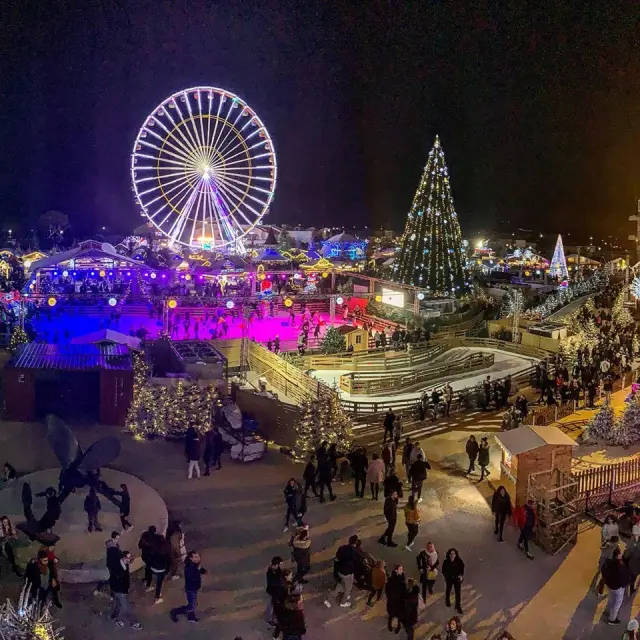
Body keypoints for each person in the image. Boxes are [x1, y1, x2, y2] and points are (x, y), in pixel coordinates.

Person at [169, 551, 207, 623]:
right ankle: (175, 612)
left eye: (198, 556)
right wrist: (198, 570)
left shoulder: (195, 564)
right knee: (192, 605)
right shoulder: (189, 567)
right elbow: (192, 578)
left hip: (195, 587)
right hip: (191, 588)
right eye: (195, 557)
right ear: (191, 558)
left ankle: (191, 617)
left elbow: (199, 570)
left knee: (193, 604)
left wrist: (202, 571)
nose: (198, 558)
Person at [109, 550, 142, 629]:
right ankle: (133, 622)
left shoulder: (125, 564)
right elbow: (116, 579)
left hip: (120, 589)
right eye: (128, 557)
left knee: (118, 603)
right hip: (119, 590)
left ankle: (115, 617)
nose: (130, 559)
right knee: (127, 607)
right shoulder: (118, 568)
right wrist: (123, 590)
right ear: (123, 558)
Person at [324, 534, 359, 608]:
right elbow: (355, 562)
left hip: (340, 571)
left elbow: (337, 558)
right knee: (348, 588)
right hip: (347, 573)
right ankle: (343, 602)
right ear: (355, 543)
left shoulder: (342, 548)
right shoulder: (354, 552)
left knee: (341, 585)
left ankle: (329, 597)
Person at [601, 548, 629, 625]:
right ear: (618, 556)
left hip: (609, 585)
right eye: (621, 554)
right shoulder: (620, 567)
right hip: (617, 587)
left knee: (611, 599)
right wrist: (624, 585)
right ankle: (612, 619)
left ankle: (609, 611)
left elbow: (603, 570)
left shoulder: (608, 562)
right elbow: (623, 578)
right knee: (617, 603)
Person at [94, 530, 121, 595]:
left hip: (114, 564)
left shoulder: (115, 545)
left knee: (113, 579)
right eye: (116, 538)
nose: (117, 540)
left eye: (118, 539)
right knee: (113, 579)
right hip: (112, 565)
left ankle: (102, 587)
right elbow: (115, 555)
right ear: (112, 538)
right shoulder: (111, 547)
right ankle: (101, 587)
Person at [146, 535, 171, 604]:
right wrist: (167, 569)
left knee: (154, 577)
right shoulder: (165, 550)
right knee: (159, 583)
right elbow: (168, 561)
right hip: (161, 569)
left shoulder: (152, 549)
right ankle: (157, 597)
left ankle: (150, 586)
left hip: (153, 567)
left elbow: (149, 558)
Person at [442, 548, 464, 614]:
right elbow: (443, 570)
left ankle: (458, 606)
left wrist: (460, 575)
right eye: (451, 554)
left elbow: (462, 568)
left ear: (456, 554)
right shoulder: (446, 562)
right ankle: (447, 600)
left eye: (453, 554)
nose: (452, 555)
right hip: (449, 579)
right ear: (448, 554)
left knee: (458, 593)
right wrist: (447, 576)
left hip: (456, 579)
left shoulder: (459, 561)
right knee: (448, 590)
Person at [385, 564, 406, 632]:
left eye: (402, 569)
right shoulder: (392, 580)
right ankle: (390, 624)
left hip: (399, 601)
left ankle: (397, 626)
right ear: (396, 570)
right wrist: (390, 597)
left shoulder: (402, 579)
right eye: (400, 569)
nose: (402, 571)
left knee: (398, 615)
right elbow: (387, 589)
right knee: (392, 614)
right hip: (393, 601)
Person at [265, 556, 284, 625]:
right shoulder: (270, 572)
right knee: (272, 604)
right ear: (277, 564)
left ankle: (272, 616)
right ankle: (269, 618)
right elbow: (273, 582)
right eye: (280, 564)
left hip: (277, 590)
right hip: (274, 591)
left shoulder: (276, 569)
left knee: (274, 604)